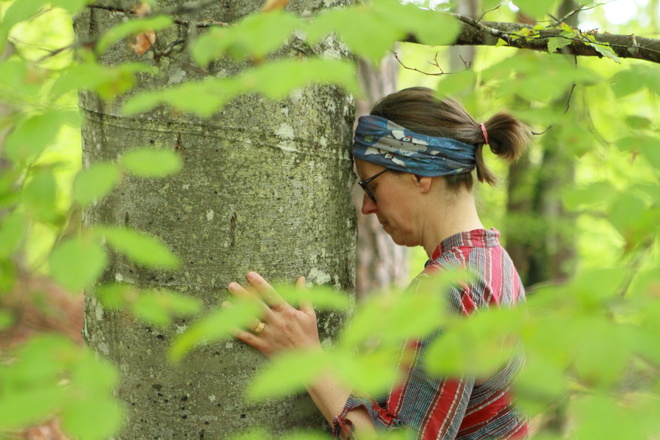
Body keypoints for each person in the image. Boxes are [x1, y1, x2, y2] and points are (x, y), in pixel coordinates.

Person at [226, 87, 531, 439]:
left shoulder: (448, 289)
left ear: (420, 176)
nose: (367, 207)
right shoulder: (494, 262)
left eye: (371, 187)